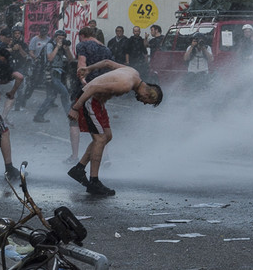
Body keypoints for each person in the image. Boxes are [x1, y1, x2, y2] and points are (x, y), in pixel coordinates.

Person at [67, 59, 163, 196]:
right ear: (148, 94)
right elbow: (93, 88)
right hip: (89, 99)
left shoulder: (134, 73)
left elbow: (107, 63)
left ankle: (79, 169)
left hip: (97, 100)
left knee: (107, 136)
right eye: (147, 102)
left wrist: (89, 69)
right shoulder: (125, 85)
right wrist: (75, 108)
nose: (144, 103)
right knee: (100, 139)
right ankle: (94, 181)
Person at [71, 26, 113, 163]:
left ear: (82, 35)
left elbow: (82, 65)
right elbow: (108, 69)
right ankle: (105, 156)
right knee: (99, 121)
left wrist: (84, 83)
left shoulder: (82, 45)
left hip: (87, 88)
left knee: (74, 120)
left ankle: (75, 156)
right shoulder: (106, 49)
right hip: (102, 88)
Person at [33, 30, 74, 123]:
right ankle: (70, 116)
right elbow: (50, 58)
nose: (61, 40)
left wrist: (67, 49)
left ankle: (39, 115)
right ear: (55, 37)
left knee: (51, 96)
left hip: (58, 73)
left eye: (63, 38)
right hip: (50, 72)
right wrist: (57, 47)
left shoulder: (62, 46)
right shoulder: (50, 45)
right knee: (65, 93)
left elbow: (71, 59)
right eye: (59, 38)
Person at [0, 28, 25, 125]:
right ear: (1, 36)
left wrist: (18, 49)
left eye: (10, 37)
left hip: (6, 73)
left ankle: (2, 118)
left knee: (19, 78)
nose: (9, 39)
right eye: (7, 37)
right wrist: (10, 50)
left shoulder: (12, 44)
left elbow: (25, 55)